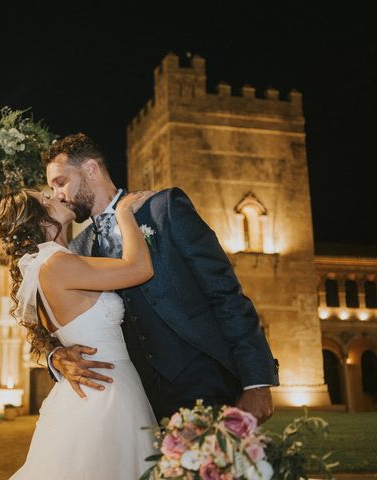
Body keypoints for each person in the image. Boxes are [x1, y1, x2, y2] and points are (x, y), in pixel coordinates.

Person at [43, 133, 279, 424]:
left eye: (60, 182)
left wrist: (257, 382)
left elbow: (225, 292)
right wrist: (54, 357)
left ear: (91, 169)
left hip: (206, 383)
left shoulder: (163, 208)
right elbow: (56, 323)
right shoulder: (79, 249)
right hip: (135, 403)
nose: (56, 194)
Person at [0, 189, 159, 479]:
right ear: (41, 222)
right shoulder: (55, 264)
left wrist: (56, 355)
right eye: (46, 199)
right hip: (107, 390)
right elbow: (140, 268)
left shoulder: (51, 263)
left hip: (98, 385)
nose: (56, 196)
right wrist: (124, 213)